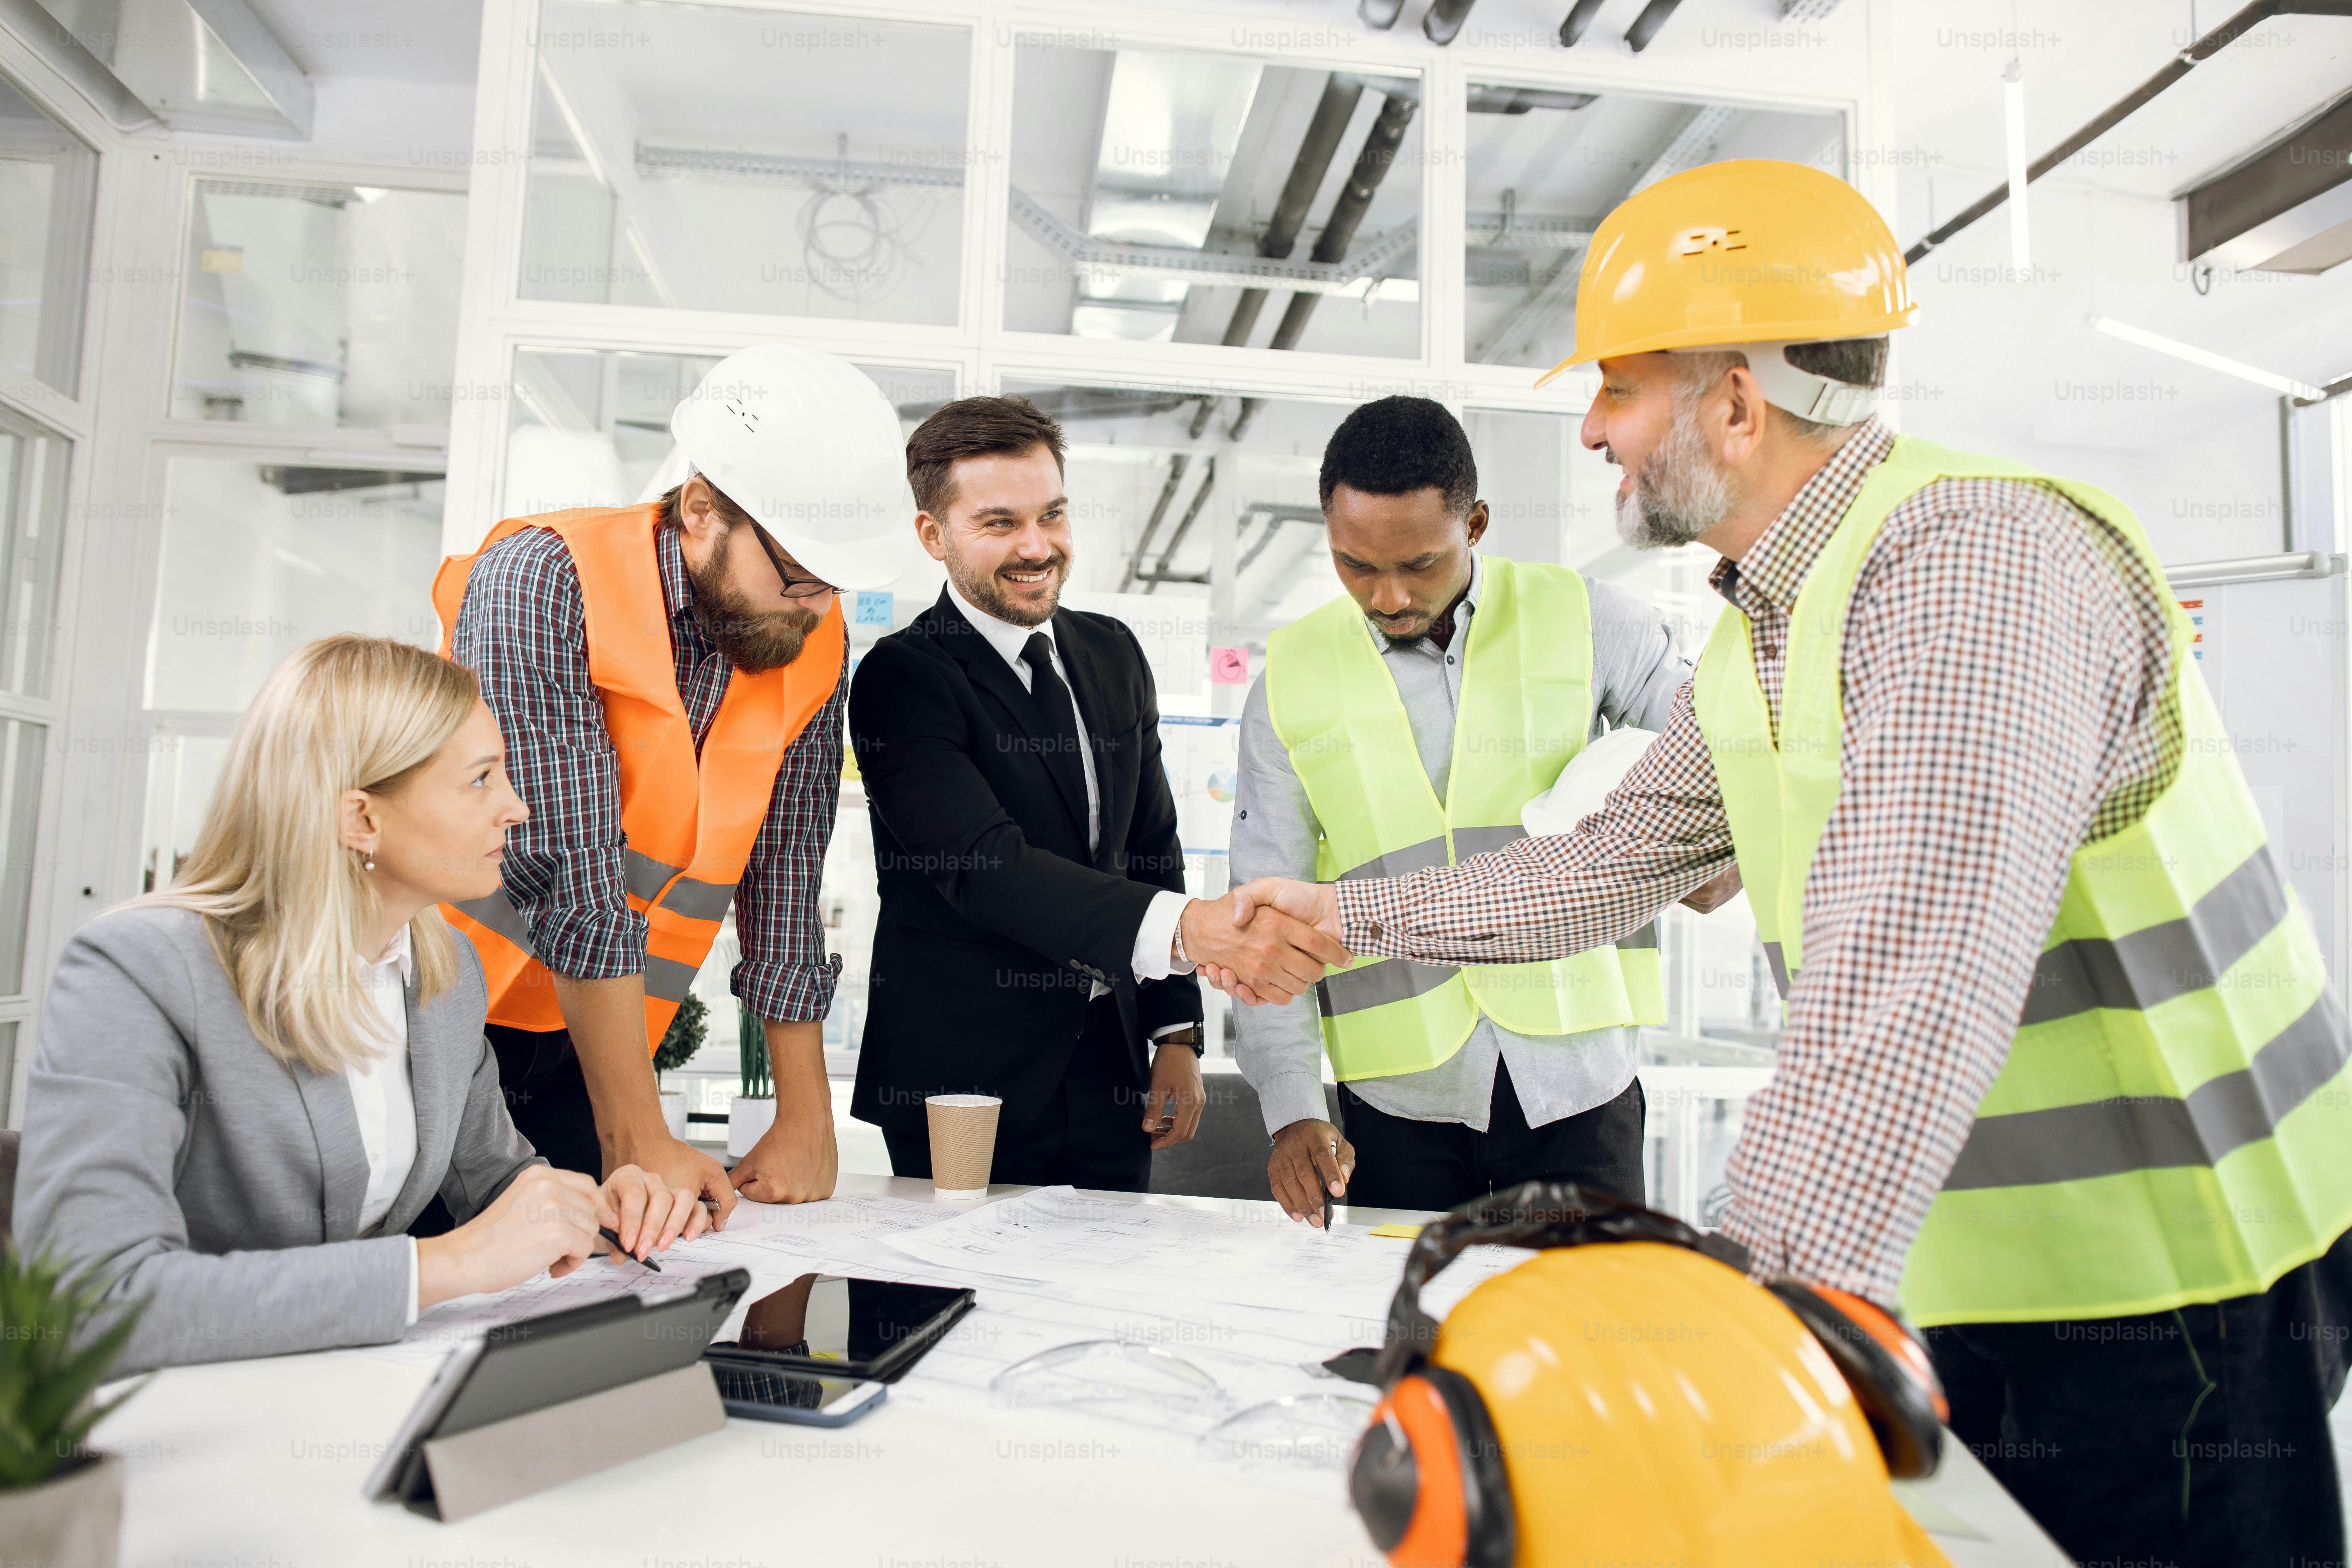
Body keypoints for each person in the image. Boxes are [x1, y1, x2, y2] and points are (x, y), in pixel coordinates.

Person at [1214, 159, 2352, 1565]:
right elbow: (1610, 861)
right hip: (1969, 1269)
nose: (1592, 432)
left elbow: (1913, 974)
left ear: (1735, 403)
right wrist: (1343, 917)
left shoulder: (1970, 563)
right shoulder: (1774, 614)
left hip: (2174, 1276)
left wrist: (1724, 1349)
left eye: (1618, 388)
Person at [14, 637, 698, 1374]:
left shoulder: (444, 971)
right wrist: (442, 1266)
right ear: (361, 820)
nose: (517, 807)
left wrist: (590, 1206)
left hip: (352, 1391)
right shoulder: (137, 969)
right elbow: (91, 1299)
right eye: (480, 779)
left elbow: (495, 1181)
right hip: (167, 1423)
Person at [1232, 396, 1732, 1226]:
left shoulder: (1587, 619)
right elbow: (1264, 910)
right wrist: (1291, 1106)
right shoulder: (1287, 679)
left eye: (1419, 564)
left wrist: (1717, 859)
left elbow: (1719, 759)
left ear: (1478, 524)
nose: (1387, 595)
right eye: (1355, 564)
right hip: (1399, 1106)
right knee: (1422, 1349)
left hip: (1581, 1081)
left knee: (1591, 1340)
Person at [439, 344, 914, 1218]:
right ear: (701, 510)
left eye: (834, 582)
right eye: (801, 573)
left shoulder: (811, 627)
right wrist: (638, 1135)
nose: (818, 608)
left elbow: (783, 878)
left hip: (599, 1038)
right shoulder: (542, 581)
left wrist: (805, 1112)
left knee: (589, 1297)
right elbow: (570, 873)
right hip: (433, 1023)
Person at [847, 395, 1349, 1191]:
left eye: (1052, 514)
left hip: (1111, 1068)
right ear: (933, 536)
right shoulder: (902, 678)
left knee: (1110, 1299)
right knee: (949, 1307)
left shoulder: (1111, 652)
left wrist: (1175, 1032)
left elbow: (1151, 842)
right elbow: (985, 866)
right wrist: (1194, 930)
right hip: (964, 1082)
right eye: (1001, 523)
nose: (1037, 546)